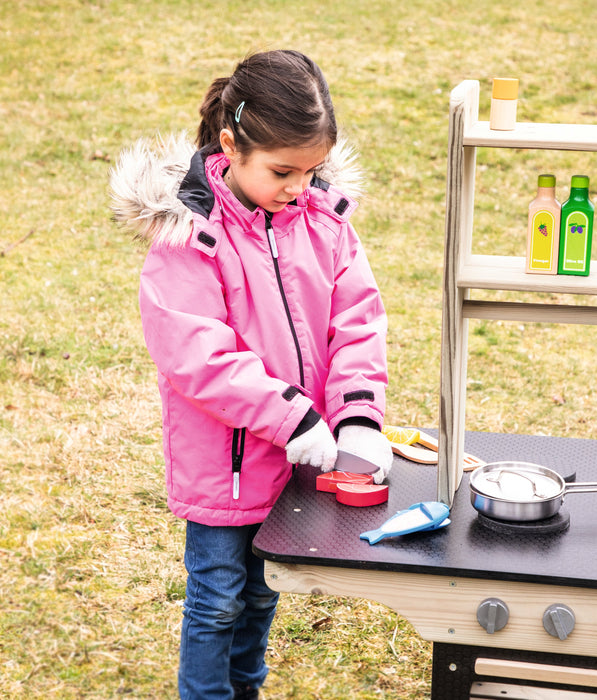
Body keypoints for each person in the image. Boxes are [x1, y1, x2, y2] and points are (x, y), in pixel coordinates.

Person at [110, 49, 392, 699]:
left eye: (312, 170)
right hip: (224, 469)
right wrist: (293, 417)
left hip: (299, 458)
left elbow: (357, 321)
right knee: (216, 604)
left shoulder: (324, 223)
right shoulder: (188, 235)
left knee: (263, 597)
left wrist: (357, 417)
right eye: (283, 171)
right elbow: (199, 358)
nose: (298, 186)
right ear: (232, 145)